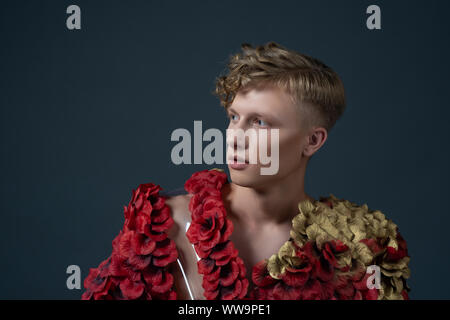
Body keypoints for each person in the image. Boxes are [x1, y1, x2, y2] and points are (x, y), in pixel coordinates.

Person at [82, 42, 410, 300]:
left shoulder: (358, 246)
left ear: (312, 141)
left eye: (260, 122)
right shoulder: (164, 226)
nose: (235, 137)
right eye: (234, 117)